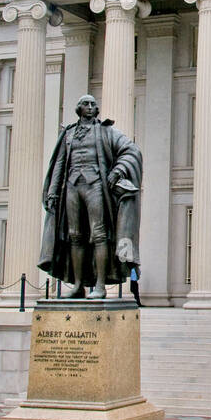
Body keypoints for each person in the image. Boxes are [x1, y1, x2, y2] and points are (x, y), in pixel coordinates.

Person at [39, 94, 142, 299]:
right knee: (75, 235)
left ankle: (100, 285)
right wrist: (52, 192)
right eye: (85, 104)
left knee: (99, 234)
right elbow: (60, 164)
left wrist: (119, 170)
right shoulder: (68, 134)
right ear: (79, 109)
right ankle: (77, 285)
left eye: (93, 105)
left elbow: (132, 150)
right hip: (72, 186)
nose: (90, 107)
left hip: (95, 185)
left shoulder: (106, 131)